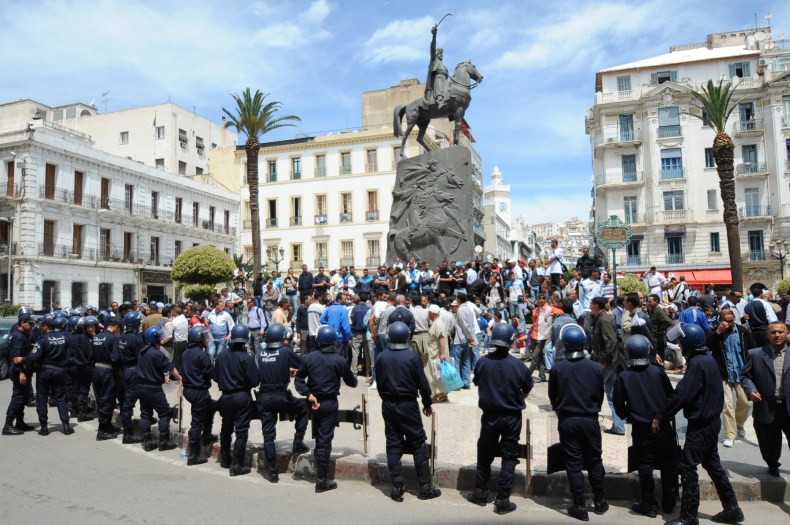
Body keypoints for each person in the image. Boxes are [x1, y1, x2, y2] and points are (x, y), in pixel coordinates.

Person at [654, 323, 744, 525]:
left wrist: (661, 415)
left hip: (702, 425)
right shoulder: (707, 360)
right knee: (713, 465)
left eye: (680, 342)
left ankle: (688, 517)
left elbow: (682, 394)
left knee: (686, 466)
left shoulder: (698, 364)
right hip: (710, 423)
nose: (678, 345)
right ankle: (732, 509)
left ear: (688, 343)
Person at [467, 323, 533, 514]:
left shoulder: (482, 362)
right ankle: (503, 499)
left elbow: (478, 381)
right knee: (509, 455)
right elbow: (527, 389)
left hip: (490, 416)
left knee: (485, 452)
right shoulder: (519, 366)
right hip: (512, 417)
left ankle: (480, 492)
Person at [613, 335, 677, 517]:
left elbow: (618, 405)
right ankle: (669, 500)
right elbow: (671, 397)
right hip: (663, 426)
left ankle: (648, 502)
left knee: (645, 465)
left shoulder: (624, 376)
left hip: (641, 429)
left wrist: (629, 416)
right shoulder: (658, 372)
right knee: (667, 464)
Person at [375, 322, 441, 502]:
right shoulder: (412, 358)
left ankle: (397, 487)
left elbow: (379, 383)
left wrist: (387, 399)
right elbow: (423, 386)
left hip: (388, 405)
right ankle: (425, 486)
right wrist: (427, 404)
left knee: (393, 442)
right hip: (408, 405)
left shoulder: (381, 357)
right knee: (418, 442)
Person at [549, 323, 607, 522]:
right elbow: (600, 395)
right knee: (594, 461)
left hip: (567, 420)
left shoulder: (557, 368)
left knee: (573, 464)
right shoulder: (595, 368)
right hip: (590, 420)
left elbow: (553, 397)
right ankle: (600, 502)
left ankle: (579, 505)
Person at [295, 325, 358, 492]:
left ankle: (320, 468)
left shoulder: (309, 358)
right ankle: (322, 479)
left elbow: (298, 380)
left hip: (313, 401)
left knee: (319, 438)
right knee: (324, 440)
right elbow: (352, 382)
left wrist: (308, 394)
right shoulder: (339, 360)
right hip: (329, 403)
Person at [257, 323, 310, 483]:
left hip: (264, 397)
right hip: (281, 396)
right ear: (282, 338)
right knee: (303, 408)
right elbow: (303, 365)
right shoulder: (286, 351)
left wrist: (285, 369)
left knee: (268, 436)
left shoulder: (261, 353)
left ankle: (272, 471)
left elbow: (269, 366)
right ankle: (298, 442)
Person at [741, 321, 790, 477]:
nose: (777, 335)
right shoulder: (755, 354)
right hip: (767, 406)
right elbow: (745, 376)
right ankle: (772, 464)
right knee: (769, 443)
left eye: (780, 332)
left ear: (786, 333)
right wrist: (751, 390)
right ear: (767, 335)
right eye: (773, 332)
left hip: (788, 408)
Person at [214, 321, 258, 476]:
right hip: (241, 396)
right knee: (241, 430)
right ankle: (236, 464)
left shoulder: (220, 356)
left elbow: (215, 377)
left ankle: (225, 459)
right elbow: (254, 381)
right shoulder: (247, 358)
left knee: (226, 429)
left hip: (225, 397)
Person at [708, 307, 754, 448]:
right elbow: (707, 344)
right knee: (726, 405)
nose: (729, 323)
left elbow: (751, 351)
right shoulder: (715, 332)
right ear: (721, 320)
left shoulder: (743, 332)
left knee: (746, 402)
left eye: (731, 320)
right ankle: (730, 434)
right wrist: (718, 332)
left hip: (741, 373)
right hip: (724, 374)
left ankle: (739, 424)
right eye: (726, 320)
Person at [136, 326, 182, 452]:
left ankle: (147, 442)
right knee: (164, 413)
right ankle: (164, 442)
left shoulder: (142, 351)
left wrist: (162, 379)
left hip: (140, 386)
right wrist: (180, 379)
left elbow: (149, 368)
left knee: (145, 414)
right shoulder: (157, 353)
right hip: (153, 389)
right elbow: (170, 368)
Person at [180, 324, 219, 466]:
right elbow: (211, 372)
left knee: (212, 407)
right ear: (198, 339)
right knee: (196, 423)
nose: (206, 339)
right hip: (198, 391)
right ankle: (193, 455)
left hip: (190, 390)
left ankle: (207, 436)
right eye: (204, 336)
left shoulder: (185, 353)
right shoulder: (201, 355)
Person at [590, 296, 625, 436]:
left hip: (608, 362)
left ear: (597, 306)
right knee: (612, 395)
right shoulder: (601, 318)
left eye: (592, 304)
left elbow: (610, 341)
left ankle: (591, 423)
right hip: (612, 361)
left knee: (593, 391)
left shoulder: (603, 319)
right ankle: (619, 427)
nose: (590, 306)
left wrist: (603, 360)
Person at [113, 311, 144, 444]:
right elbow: (140, 358)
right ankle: (128, 434)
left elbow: (116, 356)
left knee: (127, 401)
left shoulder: (121, 337)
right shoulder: (136, 339)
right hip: (133, 372)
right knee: (128, 404)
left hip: (124, 371)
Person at [3, 312, 35, 435]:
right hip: (19, 371)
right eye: (30, 324)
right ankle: (8, 425)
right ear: (22, 323)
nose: (31, 326)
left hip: (22, 370)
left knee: (22, 398)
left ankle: (20, 422)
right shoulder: (18, 337)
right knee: (17, 398)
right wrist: (22, 371)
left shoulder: (22, 334)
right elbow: (16, 358)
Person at [92, 316, 121, 440]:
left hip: (96, 369)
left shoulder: (97, 336)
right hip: (108, 371)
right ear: (115, 327)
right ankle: (102, 430)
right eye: (118, 329)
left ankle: (108, 425)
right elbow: (115, 358)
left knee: (101, 399)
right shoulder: (113, 338)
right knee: (107, 399)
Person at [70, 315, 98, 421]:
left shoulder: (90, 337)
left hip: (86, 366)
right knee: (84, 389)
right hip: (87, 367)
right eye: (89, 327)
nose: (91, 329)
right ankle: (81, 412)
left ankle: (80, 411)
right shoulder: (84, 338)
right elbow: (90, 353)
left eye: (92, 327)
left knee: (84, 389)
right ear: (85, 328)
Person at [744, 283, 778, 347]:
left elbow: (747, 320)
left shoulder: (747, 306)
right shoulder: (765, 304)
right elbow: (772, 319)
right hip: (765, 331)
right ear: (762, 294)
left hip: (753, 332)